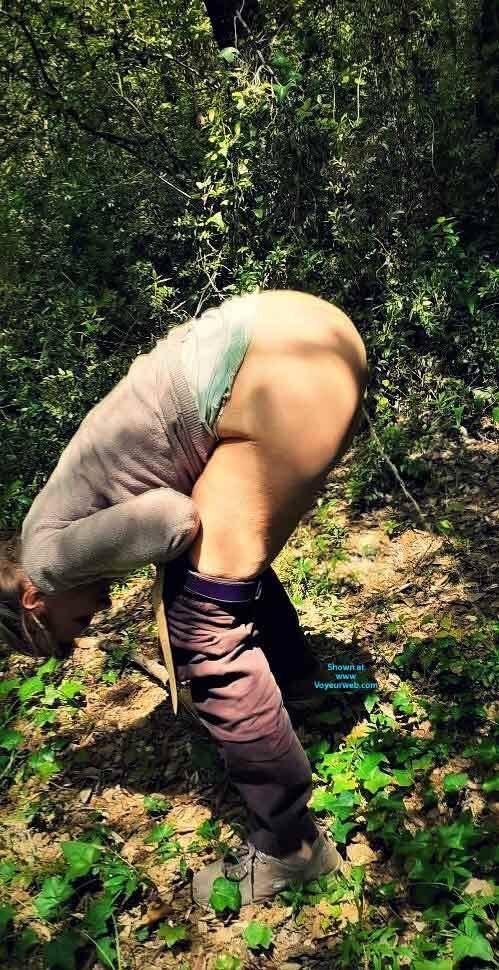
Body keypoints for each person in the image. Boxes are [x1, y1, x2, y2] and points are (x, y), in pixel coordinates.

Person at [0, 289, 367, 907]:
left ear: (35, 601)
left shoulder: (47, 560)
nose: (93, 619)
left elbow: (173, 518)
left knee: (200, 617)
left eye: (72, 626)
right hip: (300, 333)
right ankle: (305, 686)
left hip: (273, 373)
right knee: (218, 570)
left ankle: (294, 847)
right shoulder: (45, 521)